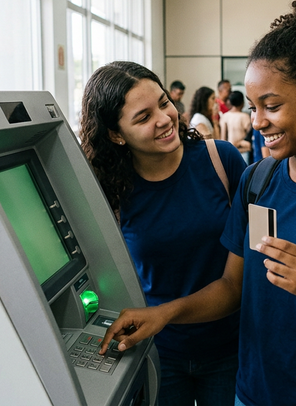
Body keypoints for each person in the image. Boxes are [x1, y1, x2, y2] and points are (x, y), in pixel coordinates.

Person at [98, 0, 296, 406]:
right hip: (252, 393)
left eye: (272, 106)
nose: (258, 122)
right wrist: (164, 314)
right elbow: (232, 287)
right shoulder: (257, 181)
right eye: (253, 107)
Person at [79, 62, 245, 405]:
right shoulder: (111, 193)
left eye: (164, 102)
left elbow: (238, 283)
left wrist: (164, 314)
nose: (164, 118)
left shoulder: (221, 161)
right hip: (157, 352)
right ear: (115, 134)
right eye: (142, 117)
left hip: (231, 348)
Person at [220, 90, 252, 163]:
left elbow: (223, 139)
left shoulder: (225, 116)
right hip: (243, 151)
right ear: (242, 103)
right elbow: (250, 136)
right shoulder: (245, 117)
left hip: (229, 150)